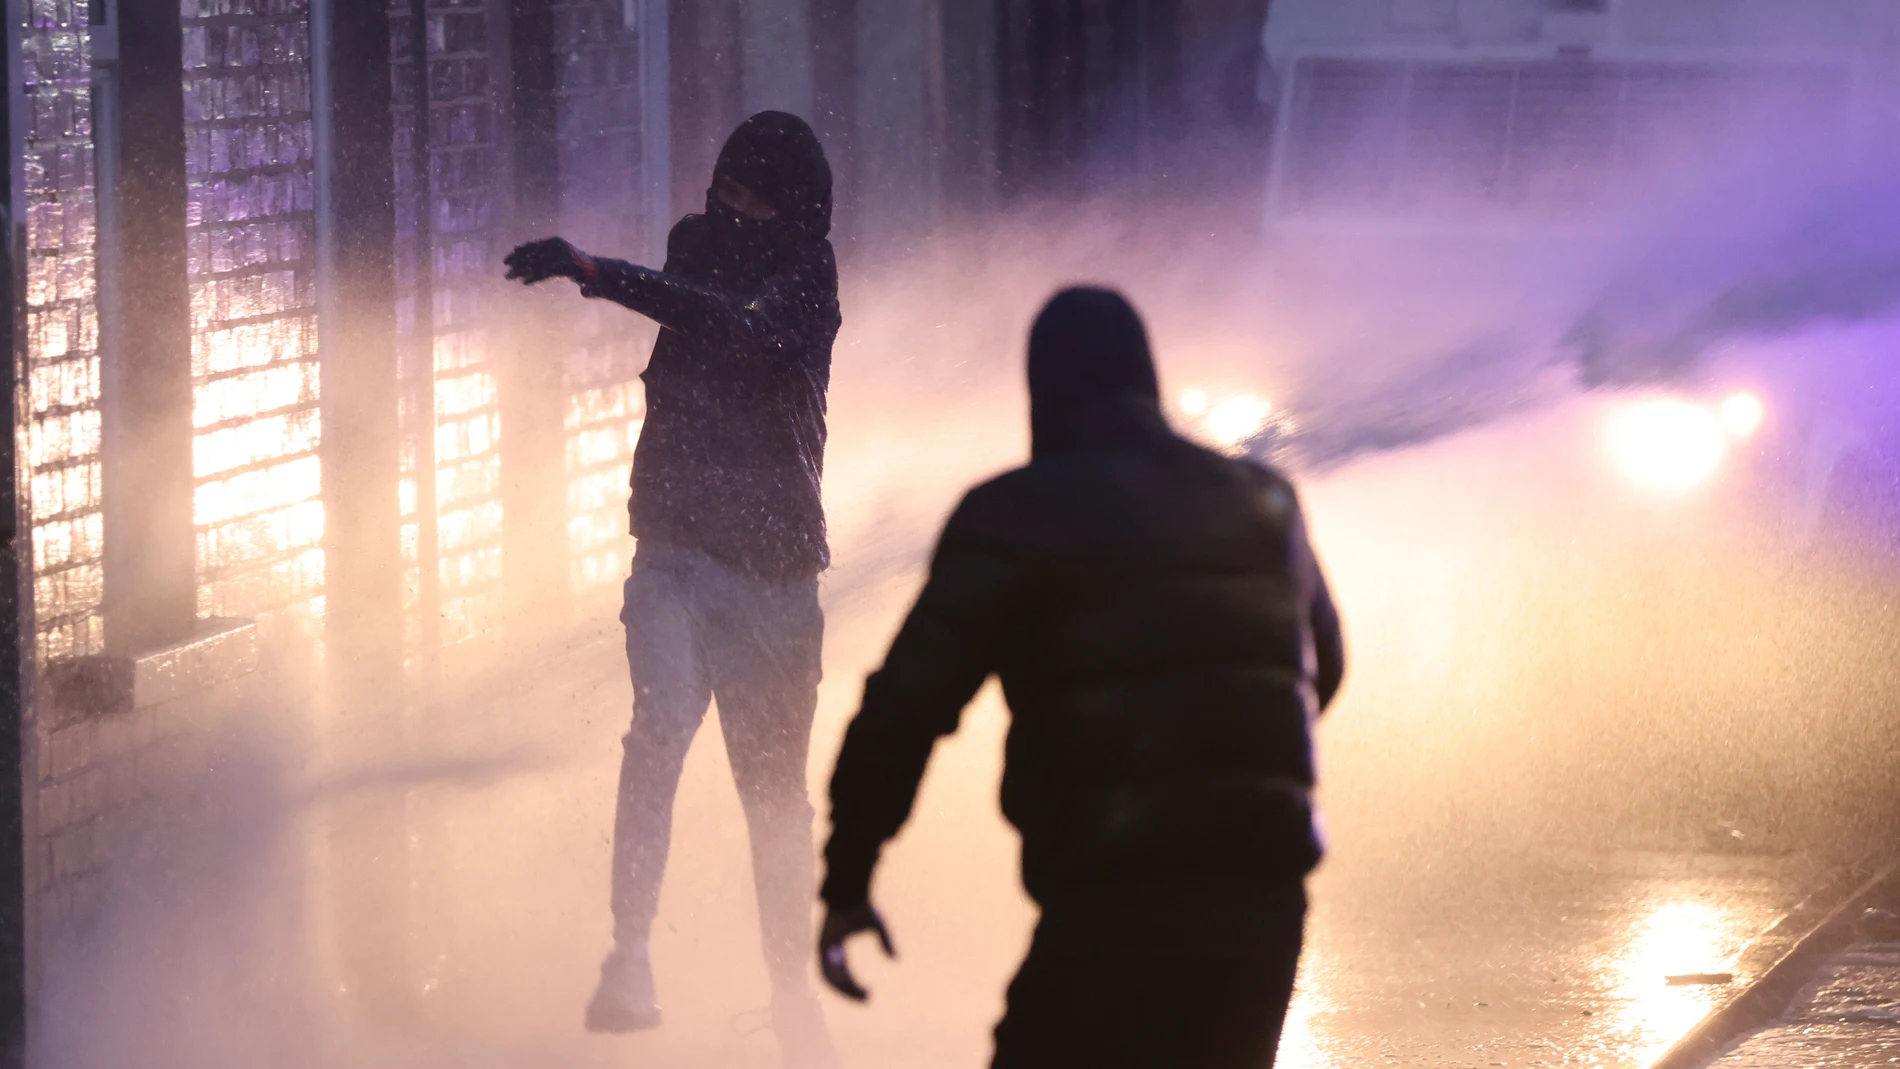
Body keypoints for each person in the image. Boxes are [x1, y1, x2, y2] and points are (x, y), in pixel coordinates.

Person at [815, 287, 1345, 1069]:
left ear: (1043, 393)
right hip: (1263, 909)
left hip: (1112, 904)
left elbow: (904, 708)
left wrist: (849, 877)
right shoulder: (1265, 504)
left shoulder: (1013, 514)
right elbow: (1320, 671)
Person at [503, 111, 841, 1066]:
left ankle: (789, 993)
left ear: (793, 208)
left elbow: (732, 327)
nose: (726, 207)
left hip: (775, 576)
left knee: (773, 800)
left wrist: (599, 273)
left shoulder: (809, 281)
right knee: (656, 731)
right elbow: (690, 295)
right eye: (722, 188)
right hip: (675, 554)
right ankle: (630, 958)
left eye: (750, 196)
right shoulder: (693, 248)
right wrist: (605, 274)